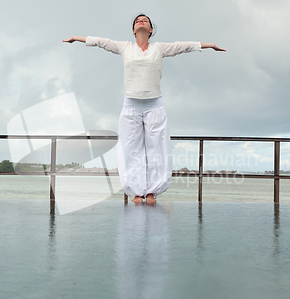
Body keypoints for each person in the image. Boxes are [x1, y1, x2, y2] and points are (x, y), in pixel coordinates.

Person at [63, 14, 225, 205]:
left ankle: (152, 193)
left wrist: (210, 44)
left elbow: (184, 46)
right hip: (130, 106)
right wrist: (76, 38)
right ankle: (136, 192)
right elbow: (101, 42)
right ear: (133, 30)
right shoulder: (125, 47)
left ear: (150, 30)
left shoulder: (159, 48)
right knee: (131, 149)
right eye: (138, 20)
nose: (141, 21)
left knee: (157, 149)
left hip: (154, 105)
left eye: (145, 20)